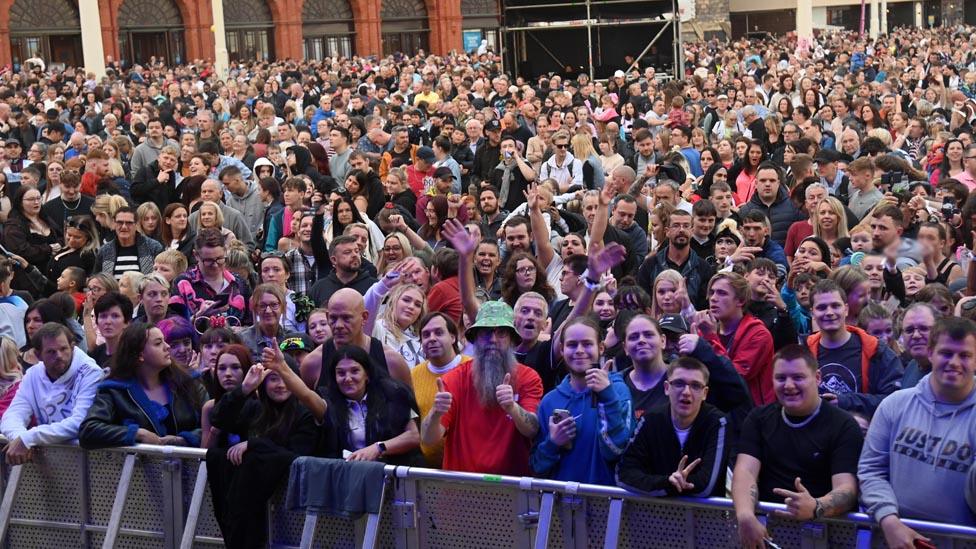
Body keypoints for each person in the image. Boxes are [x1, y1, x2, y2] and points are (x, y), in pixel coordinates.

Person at [732, 344, 863, 549]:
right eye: (781, 378)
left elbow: (846, 488)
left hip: (827, 536)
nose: (789, 385)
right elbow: (745, 470)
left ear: (817, 378)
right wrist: (745, 515)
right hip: (767, 535)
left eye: (798, 377)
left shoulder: (843, 425)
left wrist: (816, 506)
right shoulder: (758, 418)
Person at [858, 317, 976, 543]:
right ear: (931, 353)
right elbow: (871, 470)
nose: (954, 362)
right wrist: (889, 520)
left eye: (965, 355)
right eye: (946, 353)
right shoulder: (895, 404)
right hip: (893, 537)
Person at [206, 343, 318, 549]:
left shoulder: (304, 414)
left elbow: (297, 454)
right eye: (273, 379)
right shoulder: (255, 408)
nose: (280, 385)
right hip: (247, 511)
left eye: (286, 379)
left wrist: (254, 444)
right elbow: (219, 419)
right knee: (215, 455)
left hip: (292, 508)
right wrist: (244, 389)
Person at [420, 301, 543, 475]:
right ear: (475, 338)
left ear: (511, 340)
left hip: (512, 487)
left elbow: (533, 430)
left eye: (501, 333)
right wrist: (436, 412)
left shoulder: (529, 377)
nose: (492, 340)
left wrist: (512, 408)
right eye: (485, 333)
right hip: (462, 486)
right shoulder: (454, 378)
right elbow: (428, 439)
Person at [530, 316, 632, 484]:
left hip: (605, 503)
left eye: (587, 344)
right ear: (562, 350)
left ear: (600, 348)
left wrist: (607, 396)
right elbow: (537, 467)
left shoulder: (618, 391)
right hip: (560, 504)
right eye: (572, 345)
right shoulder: (549, 401)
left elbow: (617, 451)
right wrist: (553, 443)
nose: (579, 350)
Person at [79, 322, 208, 448]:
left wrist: (184, 440)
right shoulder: (114, 390)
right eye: (158, 343)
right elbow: (89, 430)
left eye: (164, 341)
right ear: (140, 355)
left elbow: (213, 426)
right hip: (137, 468)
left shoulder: (190, 383)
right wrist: (136, 433)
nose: (167, 346)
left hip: (190, 467)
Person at [615, 357, 731, 497]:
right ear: (666, 388)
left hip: (704, 516)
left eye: (695, 385)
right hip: (654, 514)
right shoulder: (651, 420)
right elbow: (624, 474)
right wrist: (668, 482)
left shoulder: (718, 423)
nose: (686, 392)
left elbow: (706, 486)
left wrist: (666, 484)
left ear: (705, 393)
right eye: (679, 383)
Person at [0, 322, 101, 463]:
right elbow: (13, 414)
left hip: (89, 463)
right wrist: (19, 437)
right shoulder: (33, 374)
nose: (59, 355)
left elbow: (80, 423)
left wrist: (29, 438)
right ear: (38, 355)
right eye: (51, 352)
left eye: (63, 349)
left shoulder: (90, 372)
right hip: (48, 464)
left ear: (72, 347)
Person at [805, 279, 903, 416]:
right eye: (821, 308)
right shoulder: (804, 351)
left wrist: (845, 401)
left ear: (845, 309)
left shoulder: (876, 351)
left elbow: (895, 400)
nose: (829, 312)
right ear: (812, 313)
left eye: (835, 306)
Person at [698, 272, 775, 405]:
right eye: (712, 292)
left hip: (749, 413)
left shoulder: (759, 334)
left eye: (722, 293)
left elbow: (734, 378)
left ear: (741, 300)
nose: (714, 298)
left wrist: (710, 338)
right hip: (712, 408)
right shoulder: (705, 330)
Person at [171, 228, 250, 322]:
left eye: (220, 259)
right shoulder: (182, 283)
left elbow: (250, 323)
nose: (215, 265)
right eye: (209, 260)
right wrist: (198, 317)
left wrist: (241, 330)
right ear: (196, 255)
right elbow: (173, 327)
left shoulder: (239, 283)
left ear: (225, 251)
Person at [95, 207, 164, 278]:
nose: (124, 226)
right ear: (114, 223)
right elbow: (97, 278)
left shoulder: (153, 248)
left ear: (136, 224)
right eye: (120, 222)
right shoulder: (104, 251)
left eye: (129, 223)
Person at [88, 291, 133, 369]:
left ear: (127, 322)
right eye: (103, 316)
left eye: (115, 316)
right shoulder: (95, 355)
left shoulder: (134, 355)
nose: (108, 322)